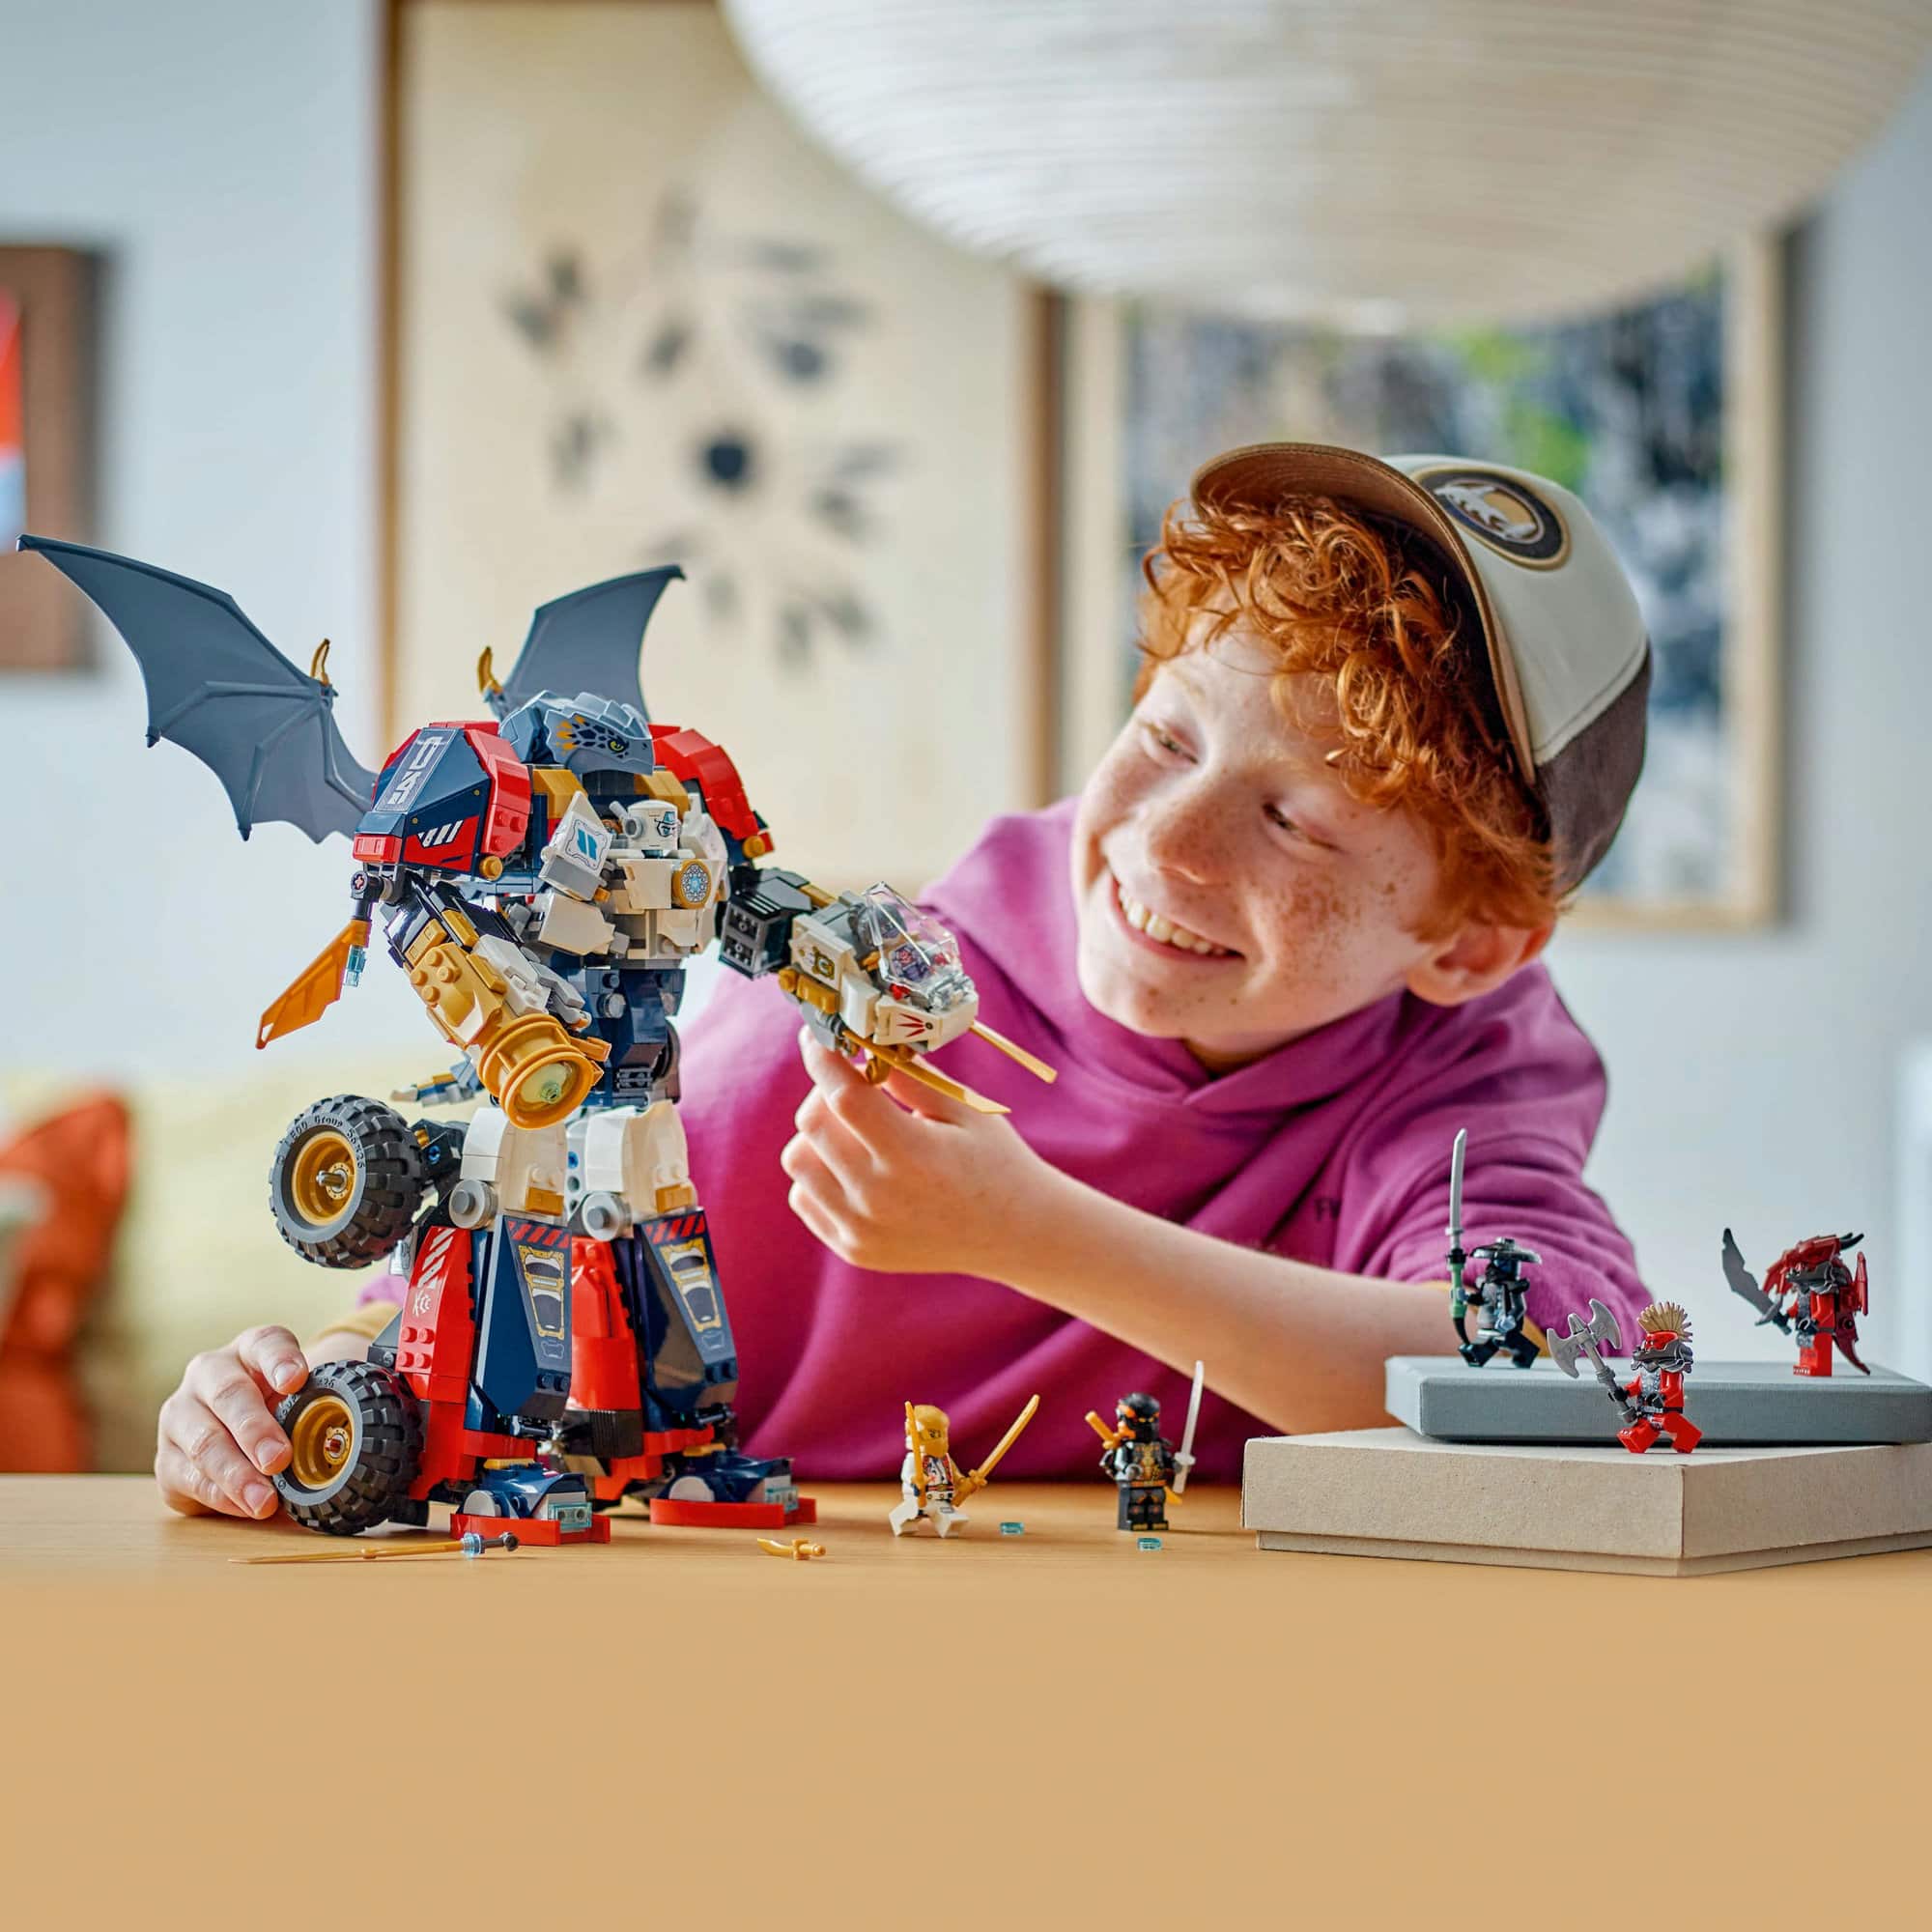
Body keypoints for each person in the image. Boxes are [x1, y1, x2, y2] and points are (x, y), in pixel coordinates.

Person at [155, 442, 1653, 1520]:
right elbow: (475, 1314)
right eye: (1167, 737)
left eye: (1299, 822)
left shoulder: (1463, 1074)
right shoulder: (841, 1033)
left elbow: (1554, 1389)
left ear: (1467, 947)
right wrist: (287, 1394)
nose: (1164, 845)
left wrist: (1027, 1233)